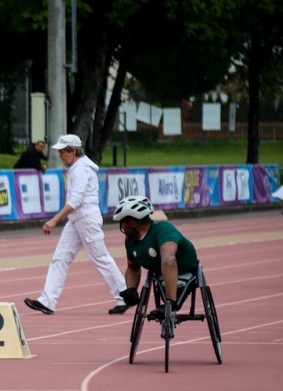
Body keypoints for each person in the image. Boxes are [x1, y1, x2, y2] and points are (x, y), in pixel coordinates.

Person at [24, 134, 128, 315]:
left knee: (101, 258)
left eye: (63, 152)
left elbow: (76, 201)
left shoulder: (80, 170)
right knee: (60, 258)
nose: (60, 155)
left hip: (86, 219)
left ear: (73, 151)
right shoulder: (78, 168)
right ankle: (47, 301)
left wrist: (54, 219)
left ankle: (124, 297)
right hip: (78, 220)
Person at [112, 195, 200, 327]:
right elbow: (133, 267)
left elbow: (169, 260)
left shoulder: (163, 229)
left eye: (122, 222)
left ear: (132, 223)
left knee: (168, 262)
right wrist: (131, 289)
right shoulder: (130, 241)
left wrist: (170, 304)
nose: (122, 228)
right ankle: (170, 304)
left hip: (186, 272)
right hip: (160, 275)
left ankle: (172, 303)